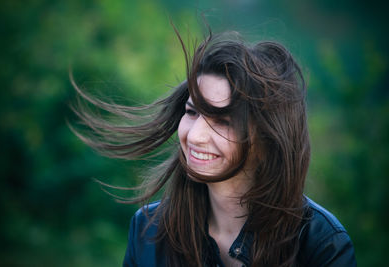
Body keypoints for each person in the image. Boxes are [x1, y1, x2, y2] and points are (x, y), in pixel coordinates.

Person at [72, 30, 356, 266]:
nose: (194, 136)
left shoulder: (322, 244)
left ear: (268, 137)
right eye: (192, 112)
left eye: (222, 121)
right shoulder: (148, 230)